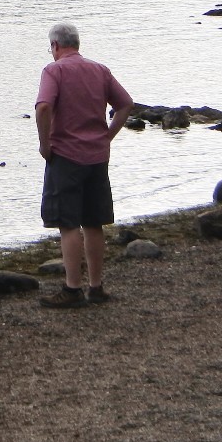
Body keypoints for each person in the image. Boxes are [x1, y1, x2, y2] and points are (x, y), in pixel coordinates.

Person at [33, 21, 133, 308]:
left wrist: (44, 144)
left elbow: (43, 107)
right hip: (97, 156)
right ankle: (96, 287)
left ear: (55, 45)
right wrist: (107, 136)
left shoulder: (55, 70)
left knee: (68, 224)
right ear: (76, 43)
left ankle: (72, 289)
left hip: (66, 155)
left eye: (50, 47)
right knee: (93, 222)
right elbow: (125, 104)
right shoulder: (99, 69)